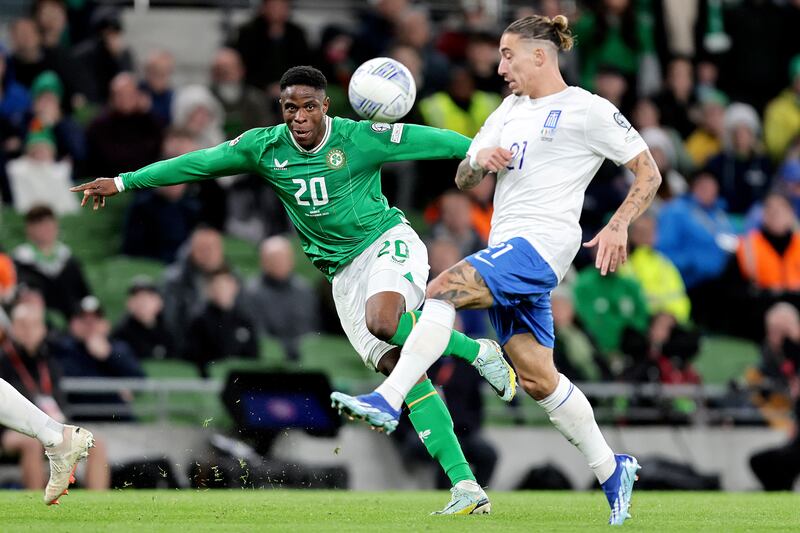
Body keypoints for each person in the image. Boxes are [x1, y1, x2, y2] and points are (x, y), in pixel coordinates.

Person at [70, 65, 516, 515]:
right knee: (403, 370)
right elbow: (199, 163)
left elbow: (434, 140)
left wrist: (481, 152)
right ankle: (466, 484)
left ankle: (475, 352)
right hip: (341, 276)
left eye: (308, 107)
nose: (299, 116)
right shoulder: (264, 147)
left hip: (385, 243)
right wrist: (124, 181)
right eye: (289, 107)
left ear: (325, 106)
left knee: (383, 322)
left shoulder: (360, 137)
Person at [330, 15, 663, 525]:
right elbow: (463, 177)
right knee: (536, 377)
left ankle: (389, 397)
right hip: (507, 247)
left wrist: (618, 225)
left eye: (508, 55)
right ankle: (611, 466)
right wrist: (478, 162)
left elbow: (649, 171)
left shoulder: (588, 109)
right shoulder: (508, 109)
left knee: (441, 290)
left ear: (540, 55)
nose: (499, 66)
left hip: (542, 245)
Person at [0, 376, 93, 504]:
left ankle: (55, 435)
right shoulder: (10, 366)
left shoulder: (47, 366)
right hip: (7, 431)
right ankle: (55, 435)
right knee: (32, 443)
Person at [244, 235, 319, 362]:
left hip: (305, 358)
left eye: (283, 258)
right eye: (274, 259)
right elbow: (259, 334)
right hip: (269, 359)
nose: (279, 263)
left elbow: (313, 329)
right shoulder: (251, 292)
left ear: (291, 260)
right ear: (263, 262)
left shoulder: (304, 290)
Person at [12, 205, 91, 319]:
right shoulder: (20, 262)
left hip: (73, 321)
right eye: (40, 225)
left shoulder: (69, 261)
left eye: (49, 224)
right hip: (36, 322)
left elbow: (84, 296)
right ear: (29, 229)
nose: (46, 229)